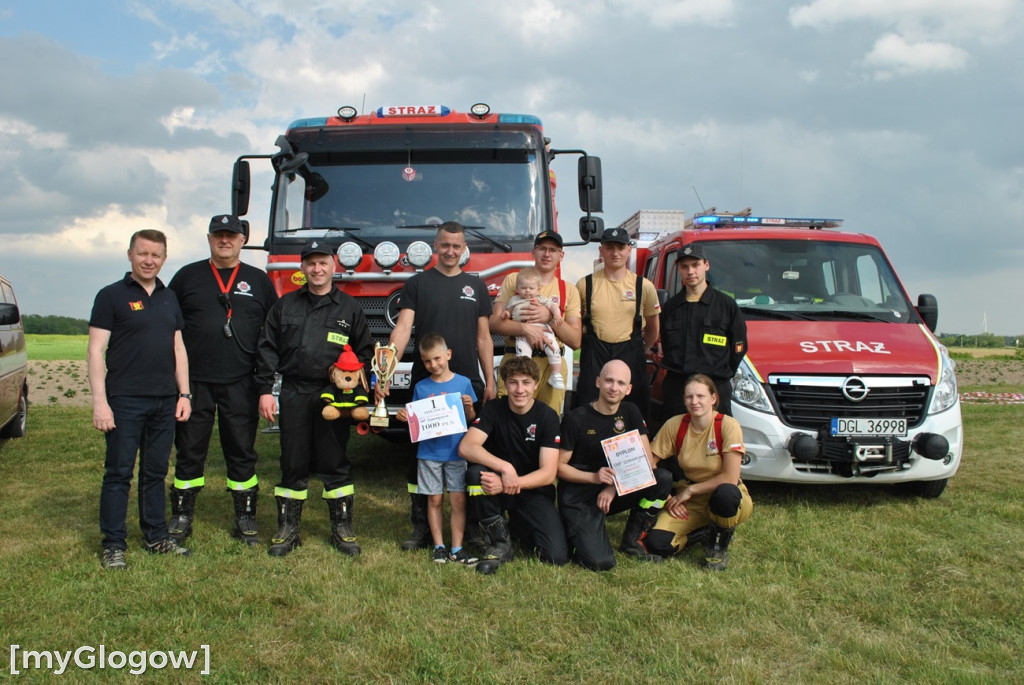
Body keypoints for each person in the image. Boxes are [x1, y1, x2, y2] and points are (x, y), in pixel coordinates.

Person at [380, 222, 495, 551]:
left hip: (466, 386)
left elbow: (484, 337)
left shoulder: (477, 286)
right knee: (420, 454)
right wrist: (386, 372)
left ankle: (472, 528)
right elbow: (402, 330)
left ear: (464, 248)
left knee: (470, 454)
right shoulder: (417, 283)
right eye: (445, 245)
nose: (450, 251)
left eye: (456, 246)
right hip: (426, 384)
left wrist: (489, 381)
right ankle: (421, 528)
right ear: (435, 246)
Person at [255, 239, 373, 558]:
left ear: (333, 265)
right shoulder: (285, 305)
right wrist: (266, 390)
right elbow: (267, 348)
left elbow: (364, 352)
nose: (317, 269)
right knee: (292, 461)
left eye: (322, 262)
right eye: (310, 263)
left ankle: (342, 529)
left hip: (332, 400)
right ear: (302, 268)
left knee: (333, 461)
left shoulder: (349, 308)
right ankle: (288, 529)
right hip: (294, 391)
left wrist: (354, 391)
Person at [166, 215, 277, 547]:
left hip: (241, 381)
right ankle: (182, 515)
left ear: (243, 240)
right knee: (189, 449)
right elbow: (168, 326)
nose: (225, 240)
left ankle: (245, 517)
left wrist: (265, 386)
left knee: (242, 450)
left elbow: (271, 336)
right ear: (209, 238)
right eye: (219, 235)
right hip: (193, 382)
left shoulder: (258, 280)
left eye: (232, 235)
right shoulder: (187, 277)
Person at [88, 229, 192, 570]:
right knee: (118, 473)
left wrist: (184, 394)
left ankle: (156, 536)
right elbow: (95, 350)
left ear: (164, 258)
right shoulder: (111, 296)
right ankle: (114, 545)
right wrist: (100, 403)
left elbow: (178, 348)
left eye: (156, 255)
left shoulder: (168, 297)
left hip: (164, 401)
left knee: (155, 471)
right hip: (125, 400)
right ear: (130, 254)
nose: (149, 261)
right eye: (143, 253)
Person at [557, 360, 673, 571]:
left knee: (662, 478)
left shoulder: (631, 412)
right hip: (580, 494)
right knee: (600, 563)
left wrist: (613, 487)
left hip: (614, 488)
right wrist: (593, 478)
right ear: (598, 382)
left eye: (621, 383)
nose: (614, 387)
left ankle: (632, 540)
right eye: (609, 381)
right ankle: (575, 536)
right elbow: (559, 467)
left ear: (628, 389)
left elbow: (646, 461)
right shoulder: (576, 419)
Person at [458, 356, 569, 575]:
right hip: (496, 486)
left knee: (556, 556)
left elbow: (548, 474)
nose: (520, 390)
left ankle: (518, 526)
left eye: (526, 382)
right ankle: (499, 543)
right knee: (476, 474)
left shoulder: (548, 417)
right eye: (513, 382)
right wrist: (505, 468)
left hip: (532, 490)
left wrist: (511, 482)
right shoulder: (493, 410)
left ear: (536, 385)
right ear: (505, 384)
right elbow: (467, 447)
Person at [642, 374, 754, 570]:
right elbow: (648, 464)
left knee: (726, 494)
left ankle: (717, 546)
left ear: (713, 398)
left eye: (700, 396)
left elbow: (730, 477)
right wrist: (667, 497)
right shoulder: (675, 425)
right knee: (656, 544)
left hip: (726, 496)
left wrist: (690, 491)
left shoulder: (727, 425)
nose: (694, 402)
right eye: (689, 397)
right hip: (691, 501)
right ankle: (701, 534)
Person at [395, 333, 478, 565]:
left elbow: (470, 419)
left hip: (456, 452)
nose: (434, 364)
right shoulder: (421, 387)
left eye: (437, 358)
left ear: (448, 354)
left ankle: (457, 547)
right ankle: (439, 546)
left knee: (459, 501)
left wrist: (470, 408)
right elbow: (417, 420)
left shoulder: (463, 383)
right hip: (429, 454)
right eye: (427, 361)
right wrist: (405, 416)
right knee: (434, 500)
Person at [490, 230, 582, 414]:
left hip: (551, 365)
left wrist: (548, 317)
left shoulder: (568, 290)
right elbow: (494, 323)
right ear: (533, 252)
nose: (547, 254)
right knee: (509, 422)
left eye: (553, 250)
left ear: (561, 255)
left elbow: (575, 340)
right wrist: (525, 328)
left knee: (548, 422)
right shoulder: (513, 280)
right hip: (517, 361)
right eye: (542, 249)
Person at [573, 227, 660, 419]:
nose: (615, 253)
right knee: (587, 408)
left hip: (630, 353)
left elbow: (653, 329)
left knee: (633, 411)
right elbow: (575, 326)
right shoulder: (584, 285)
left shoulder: (643, 286)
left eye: (620, 247)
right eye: (610, 247)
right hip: (594, 355)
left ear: (629, 250)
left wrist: (642, 348)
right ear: (601, 250)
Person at [658, 243, 747, 420]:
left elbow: (739, 347)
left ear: (706, 265)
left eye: (695, 265)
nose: (690, 271)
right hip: (678, 390)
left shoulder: (726, 306)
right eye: (685, 267)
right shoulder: (670, 308)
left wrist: (719, 375)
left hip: (714, 387)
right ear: (679, 269)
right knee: (676, 441)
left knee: (716, 442)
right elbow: (666, 345)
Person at [498, 266, 566, 389]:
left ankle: (556, 374)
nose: (527, 291)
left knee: (553, 348)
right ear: (517, 289)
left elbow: (553, 306)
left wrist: (556, 315)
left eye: (531, 288)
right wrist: (506, 314)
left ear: (538, 289)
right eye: (524, 288)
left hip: (543, 328)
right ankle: (525, 377)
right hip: (522, 333)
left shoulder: (540, 299)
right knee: (523, 356)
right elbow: (508, 311)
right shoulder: (514, 300)